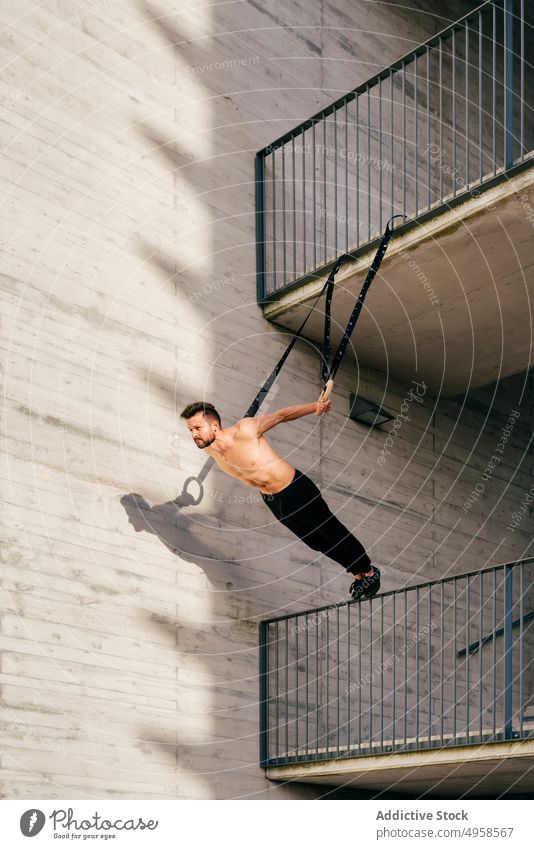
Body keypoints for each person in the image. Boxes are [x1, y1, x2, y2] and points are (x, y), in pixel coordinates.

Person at [179, 400, 380, 600]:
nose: (194, 435)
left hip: (294, 488)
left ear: (214, 424)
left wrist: (314, 407)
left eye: (197, 428)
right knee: (316, 542)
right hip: (273, 501)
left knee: (331, 532)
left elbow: (280, 415)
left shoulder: (245, 429)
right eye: (191, 430)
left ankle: (369, 572)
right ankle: (358, 575)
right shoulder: (210, 449)